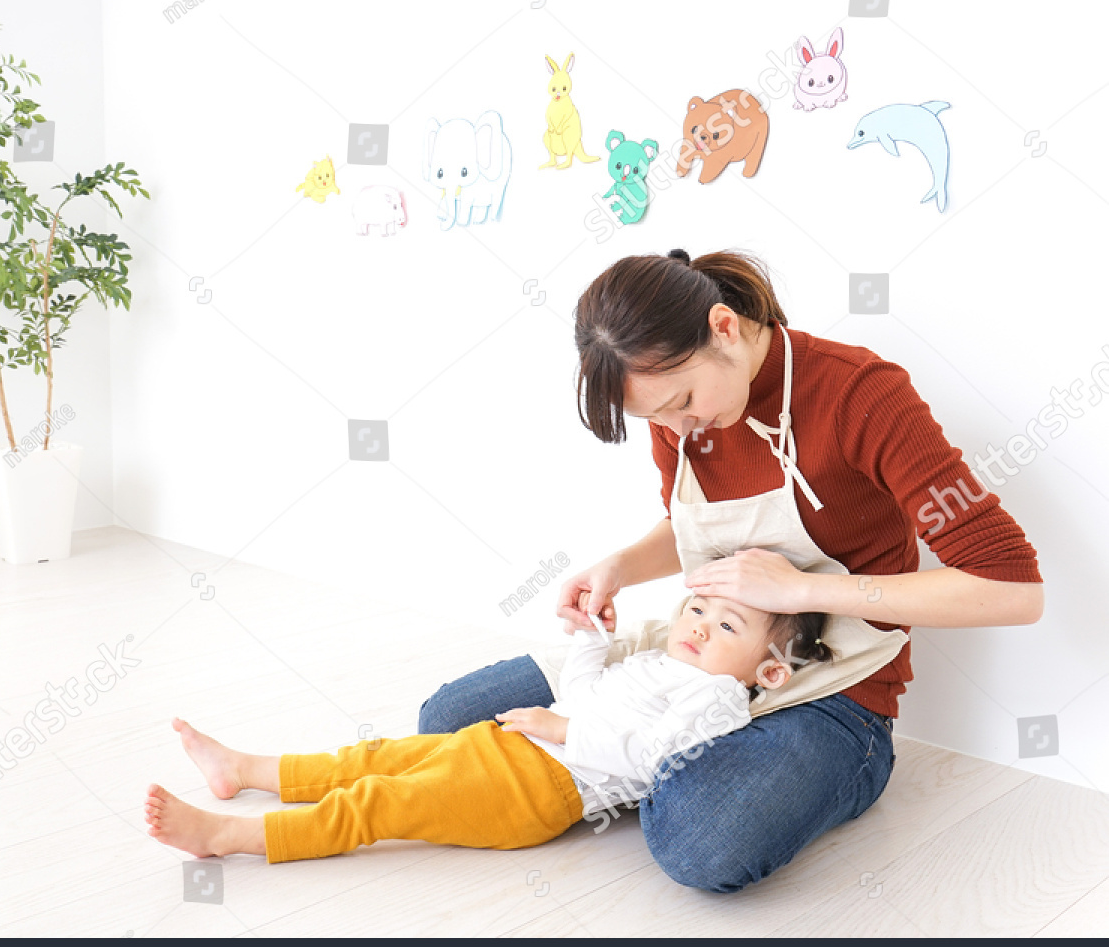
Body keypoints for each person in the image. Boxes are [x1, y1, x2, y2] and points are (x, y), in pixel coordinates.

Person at [415, 248, 1044, 893]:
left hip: (831, 696)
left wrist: (799, 589)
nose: (677, 427)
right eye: (654, 418)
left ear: (723, 326)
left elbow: (1011, 589)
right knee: (448, 722)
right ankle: (645, 758)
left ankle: (653, 765)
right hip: (695, 663)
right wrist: (622, 567)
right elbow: (688, 525)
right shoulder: (683, 415)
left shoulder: (862, 393)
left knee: (700, 842)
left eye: (682, 401)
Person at [143, 593, 832, 862]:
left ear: (767, 671)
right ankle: (247, 770)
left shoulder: (718, 699)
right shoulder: (664, 658)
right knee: (378, 757)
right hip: (510, 746)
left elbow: (652, 757)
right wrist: (594, 636)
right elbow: (585, 693)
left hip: (536, 789)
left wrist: (560, 730)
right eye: (699, 611)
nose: (700, 628)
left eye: (728, 627)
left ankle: (232, 838)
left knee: (380, 802)